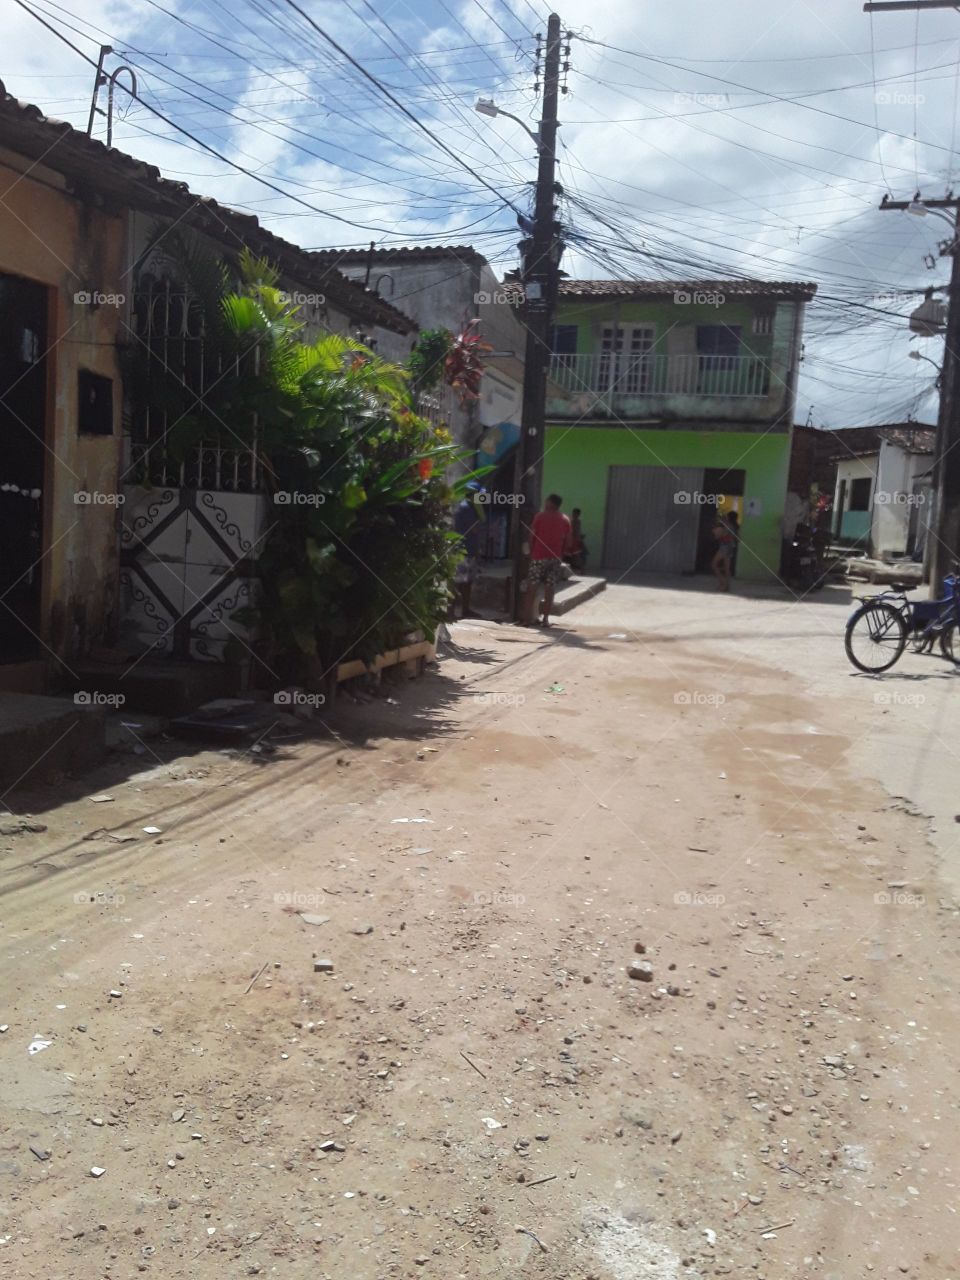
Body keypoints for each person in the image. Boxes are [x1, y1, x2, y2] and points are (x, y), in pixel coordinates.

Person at [526, 493, 571, 626]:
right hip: (555, 558)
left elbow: (531, 536)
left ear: (550, 502)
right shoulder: (565, 520)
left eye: (546, 501)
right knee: (549, 589)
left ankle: (527, 619)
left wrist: (530, 552)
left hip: (538, 557)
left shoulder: (540, 516)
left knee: (532, 588)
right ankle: (545, 619)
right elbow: (569, 542)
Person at [452, 481, 484, 617]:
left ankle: (464, 610)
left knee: (466, 582)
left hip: (468, 550)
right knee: (460, 582)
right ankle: (453, 610)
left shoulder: (467, 507)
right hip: (464, 551)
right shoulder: (468, 509)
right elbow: (476, 529)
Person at [711, 508, 737, 592]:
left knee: (714, 564)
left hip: (724, 547)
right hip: (729, 547)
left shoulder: (725, 526)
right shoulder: (733, 526)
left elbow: (717, 537)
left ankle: (723, 583)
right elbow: (737, 538)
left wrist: (715, 531)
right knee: (727, 568)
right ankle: (726, 586)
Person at [566, 507, 588, 573]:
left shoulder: (576, 521)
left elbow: (576, 531)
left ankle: (581, 569)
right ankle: (581, 569)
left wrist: (579, 538)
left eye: (575, 513)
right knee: (576, 556)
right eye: (574, 513)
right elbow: (574, 532)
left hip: (575, 541)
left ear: (578, 514)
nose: (574, 515)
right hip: (574, 540)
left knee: (579, 556)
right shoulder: (573, 521)